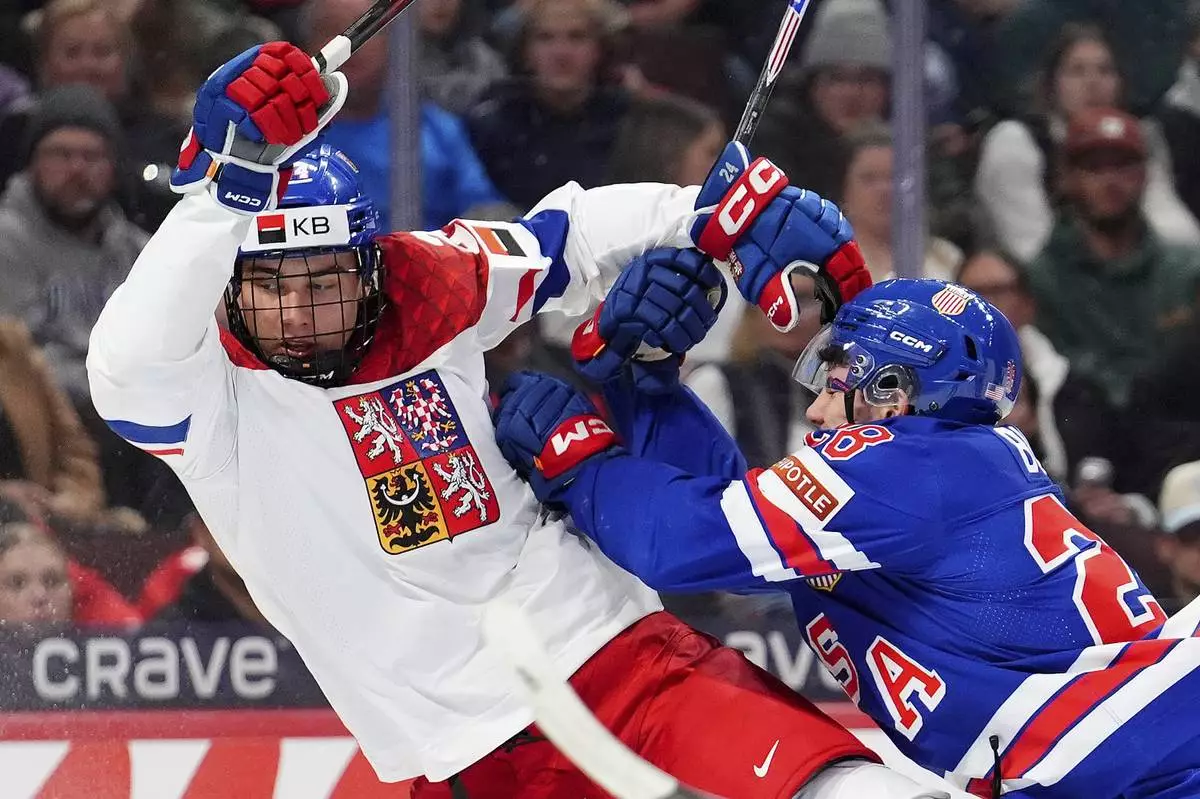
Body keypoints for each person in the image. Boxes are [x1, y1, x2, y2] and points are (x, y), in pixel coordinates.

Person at [86, 40, 943, 799]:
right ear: (231, 289)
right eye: (275, 286)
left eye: (326, 280)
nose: (304, 311)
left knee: (834, 780)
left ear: (370, 264)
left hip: (608, 642)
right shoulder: (207, 395)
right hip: (461, 744)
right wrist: (219, 192)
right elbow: (122, 360)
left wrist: (706, 213)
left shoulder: (427, 281)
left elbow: (564, 236)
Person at [492, 261, 1200, 796]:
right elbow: (728, 511)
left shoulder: (912, 468)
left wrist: (580, 457)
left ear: (894, 392)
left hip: (1150, 751)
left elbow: (680, 541)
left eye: (838, 380)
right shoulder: (932, 476)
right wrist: (644, 385)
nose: (821, 409)